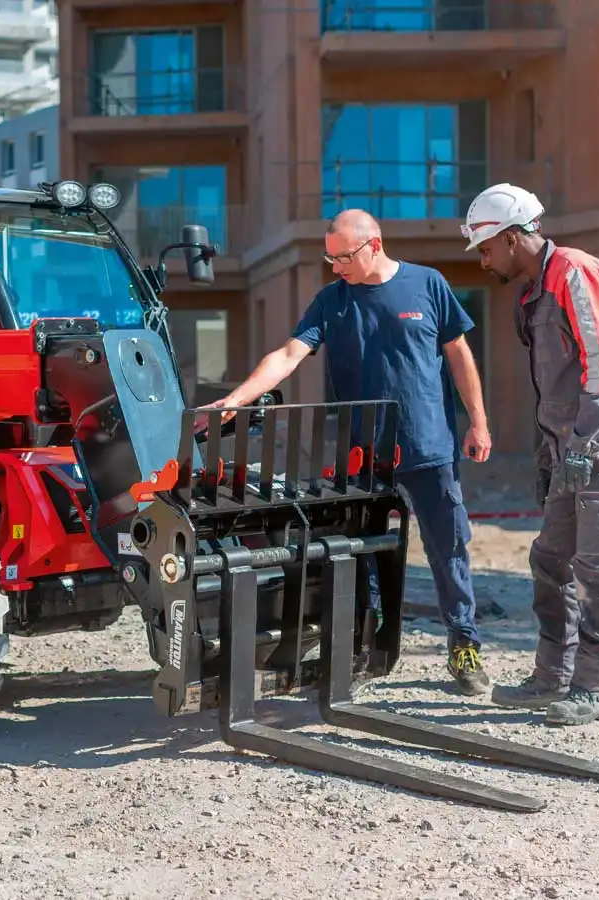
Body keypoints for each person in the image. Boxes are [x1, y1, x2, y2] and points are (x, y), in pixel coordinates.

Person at [204, 209, 493, 695]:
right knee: (359, 553)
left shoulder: (428, 285)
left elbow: (458, 354)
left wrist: (478, 422)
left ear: (373, 245)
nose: (336, 266)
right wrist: (238, 399)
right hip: (362, 455)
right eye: (329, 257)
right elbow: (289, 354)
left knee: (449, 548)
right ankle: (364, 645)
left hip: (429, 446)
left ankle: (463, 643)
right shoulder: (331, 302)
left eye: (343, 257)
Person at [461, 182, 599, 725]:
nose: (483, 262)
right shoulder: (531, 293)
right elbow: (549, 390)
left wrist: (582, 449)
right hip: (571, 447)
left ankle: (595, 689)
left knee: (597, 566)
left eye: (485, 249)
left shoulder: (575, 271)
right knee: (550, 559)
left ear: (510, 238)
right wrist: (549, 457)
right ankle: (553, 678)